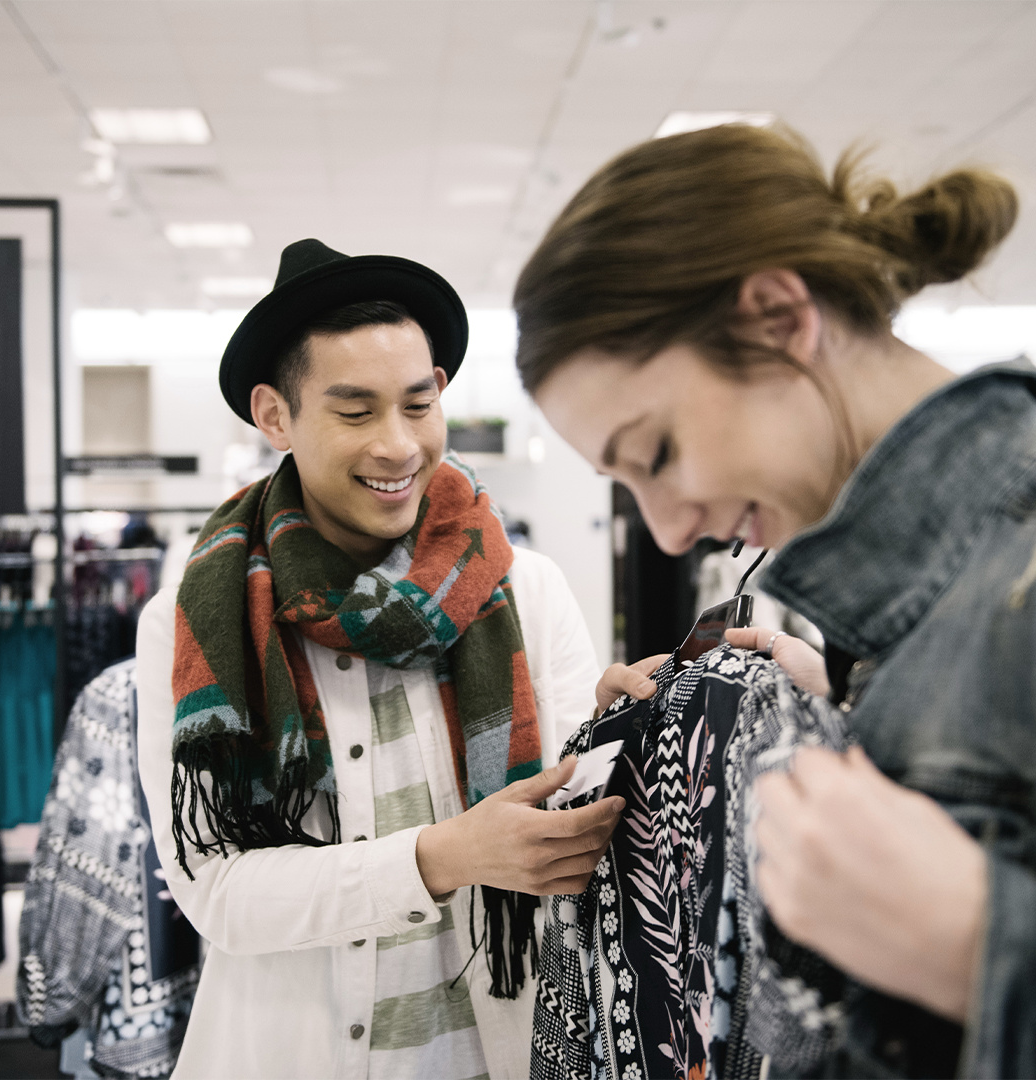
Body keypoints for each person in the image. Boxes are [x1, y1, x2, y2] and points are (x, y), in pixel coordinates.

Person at [512, 123, 1034, 1077]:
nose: (669, 532)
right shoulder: (909, 615)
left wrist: (976, 946)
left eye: (657, 454)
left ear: (778, 318)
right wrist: (849, 694)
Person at [135, 238, 622, 1079]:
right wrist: (439, 859)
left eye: (418, 404)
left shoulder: (526, 591)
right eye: (355, 412)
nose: (399, 446)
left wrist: (629, 734)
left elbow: (574, 825)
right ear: (275, 415)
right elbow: (216, 892)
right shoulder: (195, 625)